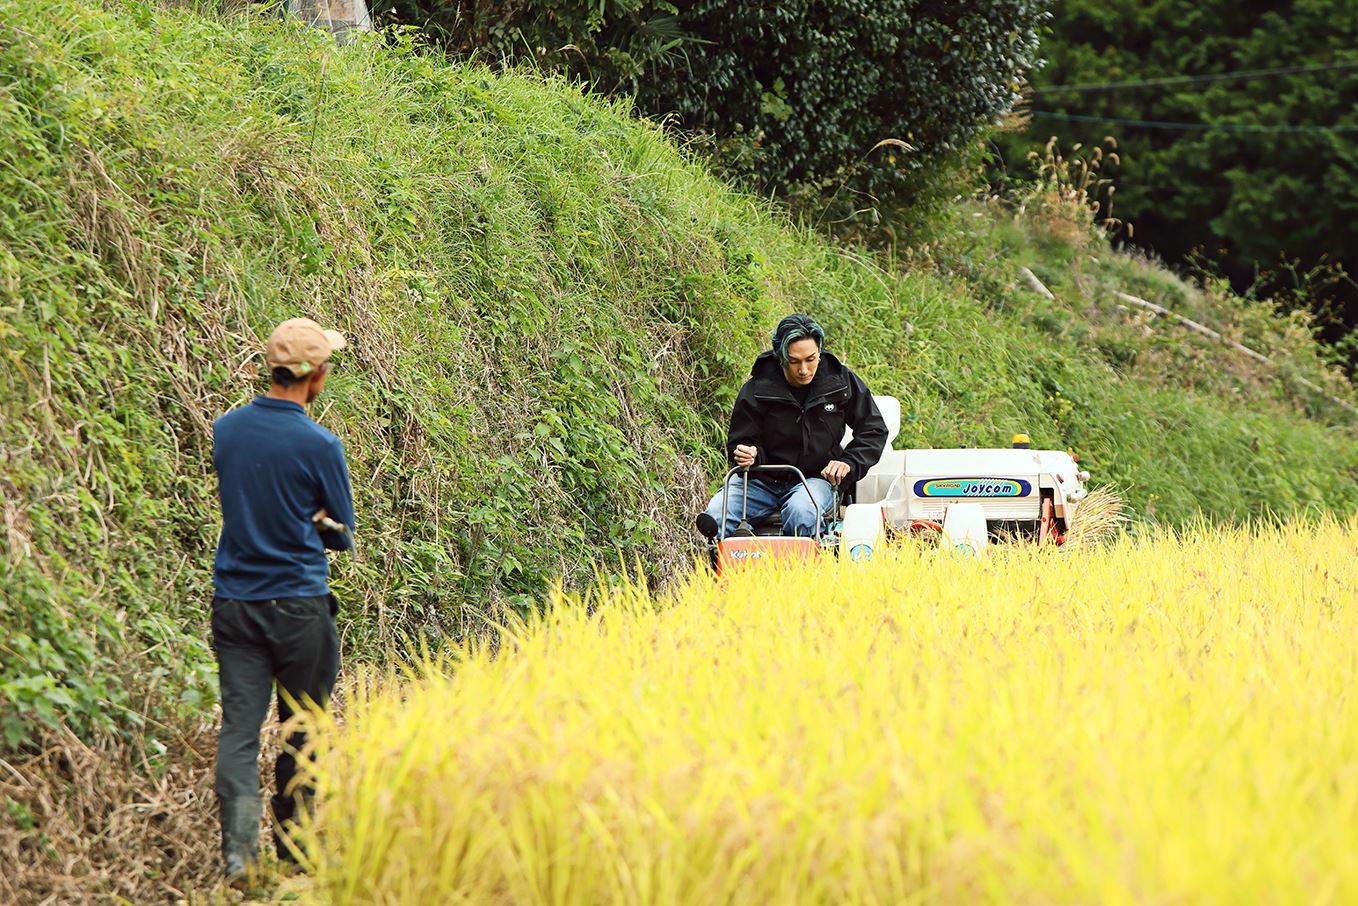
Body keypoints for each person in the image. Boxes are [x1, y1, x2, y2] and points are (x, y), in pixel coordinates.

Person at [210, 317, 354, 887]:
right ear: (314, 375)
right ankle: (295, 856)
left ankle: (239, 861)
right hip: (298, 606)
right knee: (304, 731)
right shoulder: (319, 443)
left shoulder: (227, 429)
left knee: (240, 734)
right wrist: (316, 522)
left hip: (236, 604)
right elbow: (340, 531)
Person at [697, 314, 888, 539]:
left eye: (811, 359)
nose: (804, 369)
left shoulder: (840, 381)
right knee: (716, 516)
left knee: (801, 513)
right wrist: (748, 453)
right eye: (794, 361)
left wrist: (849, 463)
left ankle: (804, 568)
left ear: (820, 351)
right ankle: (734, 559)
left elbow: (873, 429)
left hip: (816, 480)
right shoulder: (758, 387)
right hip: (761, 480)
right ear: (780, 357)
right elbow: (741, 441)